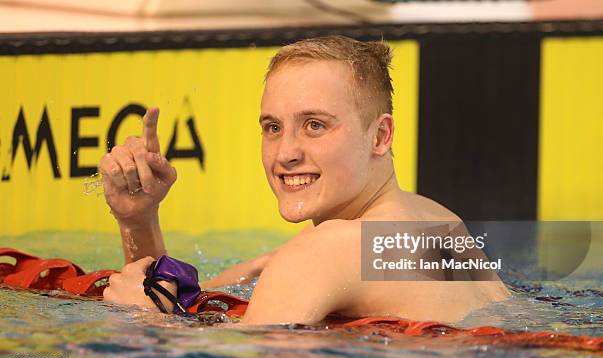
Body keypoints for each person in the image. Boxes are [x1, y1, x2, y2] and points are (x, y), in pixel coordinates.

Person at [100, 36, 509, 324]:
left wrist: (143, 324)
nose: (285, 153)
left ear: (381, 135)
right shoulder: (437, 221)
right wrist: (138, 219)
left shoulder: (321, 254)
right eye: (273, 127)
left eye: (314, 125)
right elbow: (193, 290)